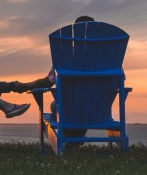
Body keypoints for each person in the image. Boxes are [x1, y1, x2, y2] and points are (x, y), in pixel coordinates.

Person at [22, 16, 96, 144]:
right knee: (85, 107)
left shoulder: (65, 56)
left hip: (70, 108)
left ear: (75, 33)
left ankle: (73, 140)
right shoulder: (109, 58)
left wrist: (26, 86)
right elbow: (119, 82)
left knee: (58, 106)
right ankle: (75, 140)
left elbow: (47, 82)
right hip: (96, 108)